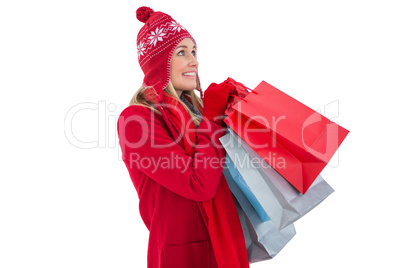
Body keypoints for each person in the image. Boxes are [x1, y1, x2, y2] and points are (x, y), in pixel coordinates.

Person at [117, 6, 249, 268]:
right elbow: (197, 184)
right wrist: (212, 117)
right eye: (181, 52)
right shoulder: (136, 121)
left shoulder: (199, 112)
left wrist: (236, 108)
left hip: (222, 245)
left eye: (193, 52)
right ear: (159, 64)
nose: (194, 61)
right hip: (181, 255)